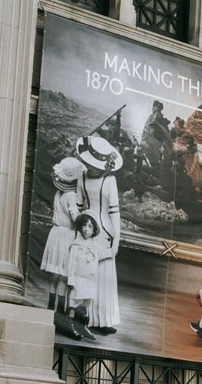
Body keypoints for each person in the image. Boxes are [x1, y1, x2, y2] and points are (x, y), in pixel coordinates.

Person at [76, 134, 123, 334]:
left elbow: (115, 213)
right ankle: (83, 317)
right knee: (86, 275)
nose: (90, 166)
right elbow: (78, 207)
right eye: (88, 162)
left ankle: (103, 321)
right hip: (86, 231)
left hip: (105, 234)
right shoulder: (82, 176)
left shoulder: (110, 180)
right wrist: (79, 231)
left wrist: (116, 242)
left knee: (104, 277)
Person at [41, 157, 85, 311]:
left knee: (54, 275)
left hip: (55, 233)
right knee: (63, 275)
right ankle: (59, 309)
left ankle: (50, 305)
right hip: (66, 235)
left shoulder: (58, 193)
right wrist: (83, 219)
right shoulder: (71, 196)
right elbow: (74, 215)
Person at [62, 212, 107, 341]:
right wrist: (71, 280)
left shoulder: (94, 246)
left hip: (89, 280)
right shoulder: (76, 245)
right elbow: (71, 264)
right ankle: (69, 325)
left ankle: (82, 325)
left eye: (90, 226)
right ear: (80, 228)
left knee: (85, 303)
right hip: (78, 279)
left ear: (93, 230)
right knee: (73, 302)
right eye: (84, 226)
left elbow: (101, 255)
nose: (86, 229)